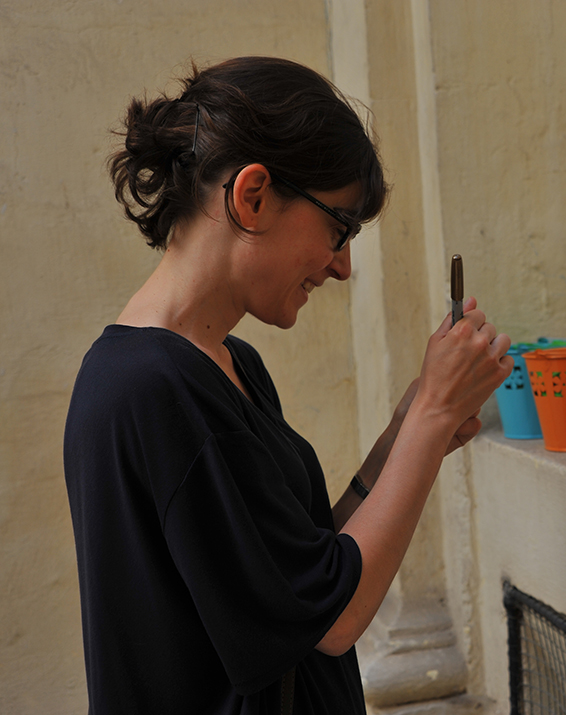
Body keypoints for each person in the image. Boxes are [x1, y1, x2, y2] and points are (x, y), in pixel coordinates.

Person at [62, 56, 512, 715]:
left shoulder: (224, 363)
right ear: (251, 196)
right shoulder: (153, 388)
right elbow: (330, 619)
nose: (343, 265)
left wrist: (403, 435)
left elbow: (293, 578)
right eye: (339, 227)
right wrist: (433, 415)